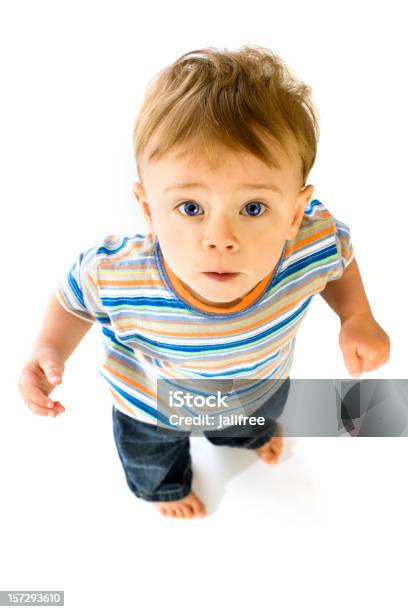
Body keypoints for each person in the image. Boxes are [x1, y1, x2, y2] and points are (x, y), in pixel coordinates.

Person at [17, 45, 390, 520]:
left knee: (251, 419)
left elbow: (340, 263)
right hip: (151, 405)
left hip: (256, 384)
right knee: (151, 457)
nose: (220, 239)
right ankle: (164, 488)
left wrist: (356, 315)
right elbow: (73, 304)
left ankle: (244, 435)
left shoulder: (309, 245)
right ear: (150, 210)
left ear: (294, 213)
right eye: (191, 208)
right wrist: (48, 349)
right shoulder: (117, 272)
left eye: (253, 208)